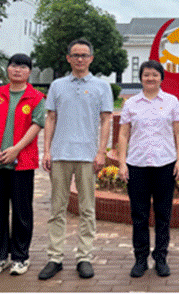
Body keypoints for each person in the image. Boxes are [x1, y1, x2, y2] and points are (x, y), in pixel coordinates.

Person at [38, 39, 113, 280]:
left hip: (88, 156)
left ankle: (84, 257)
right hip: (60, 154)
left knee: (87, 209)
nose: (80, 59)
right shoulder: (57, 85)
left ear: (91, 58)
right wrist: (47, 151)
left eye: (84, 55)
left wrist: (101, 152)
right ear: (68, 58)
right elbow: (50, 118)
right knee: (57, 208)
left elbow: (106, 120)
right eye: (75, 55)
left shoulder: (102, 87)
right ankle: (55, 257)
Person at [0, 53, 45, 276]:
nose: (18, 70)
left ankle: (20, 257)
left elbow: (37, 125)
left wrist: (16, 149)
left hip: (22, 163)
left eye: (23, 67)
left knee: (21, 211)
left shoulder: (36, 97)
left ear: (29, 72)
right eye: (14, 66)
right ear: (7, 69)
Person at [117, 60, 179, 278]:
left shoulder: (171, 101)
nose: (150, 78)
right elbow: (123, 134)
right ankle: (140, 259)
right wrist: (121, 163)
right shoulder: (131, 103)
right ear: (140, 78)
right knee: (139, 215)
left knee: (163, 214)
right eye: (146, 75)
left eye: (155, 75)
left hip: (165, 164)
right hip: (137, 165)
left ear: (161, 78)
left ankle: (161, 257)